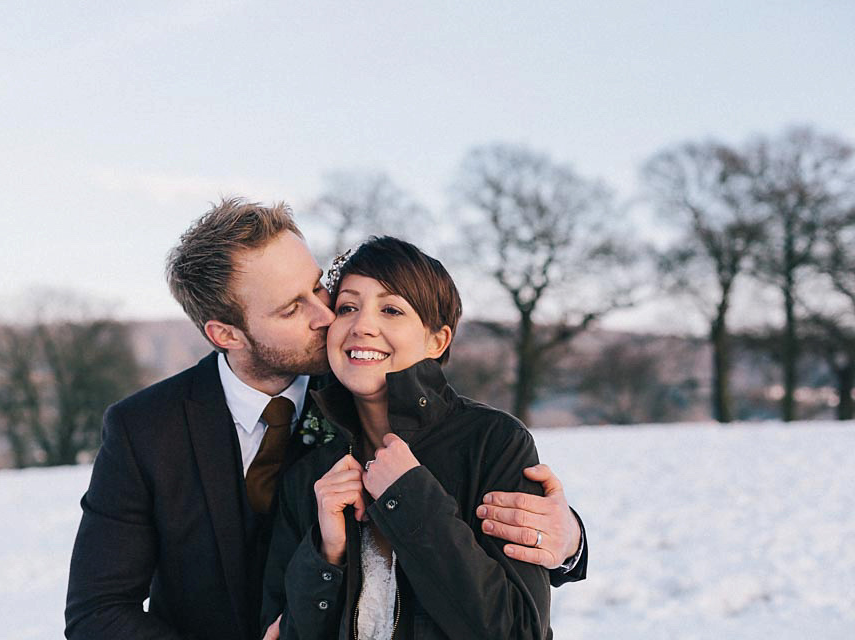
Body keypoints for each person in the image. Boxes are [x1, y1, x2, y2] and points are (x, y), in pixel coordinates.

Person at [65, 199, 586, 640]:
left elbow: (457, 455)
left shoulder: (360, 385)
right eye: (293, 308)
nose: (325, 314)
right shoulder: (145, 429)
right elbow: (98, 613)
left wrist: (568, 541)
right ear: (227, 334)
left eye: (318, 288)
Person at [261, 237, 562, 639]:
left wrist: (409, 497)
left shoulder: (494, 442)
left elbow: (519, 632)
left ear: (437, 340)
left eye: (391, 309)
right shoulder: (310, 472)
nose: (362, 325)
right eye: (347, 307)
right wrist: (325, 554)